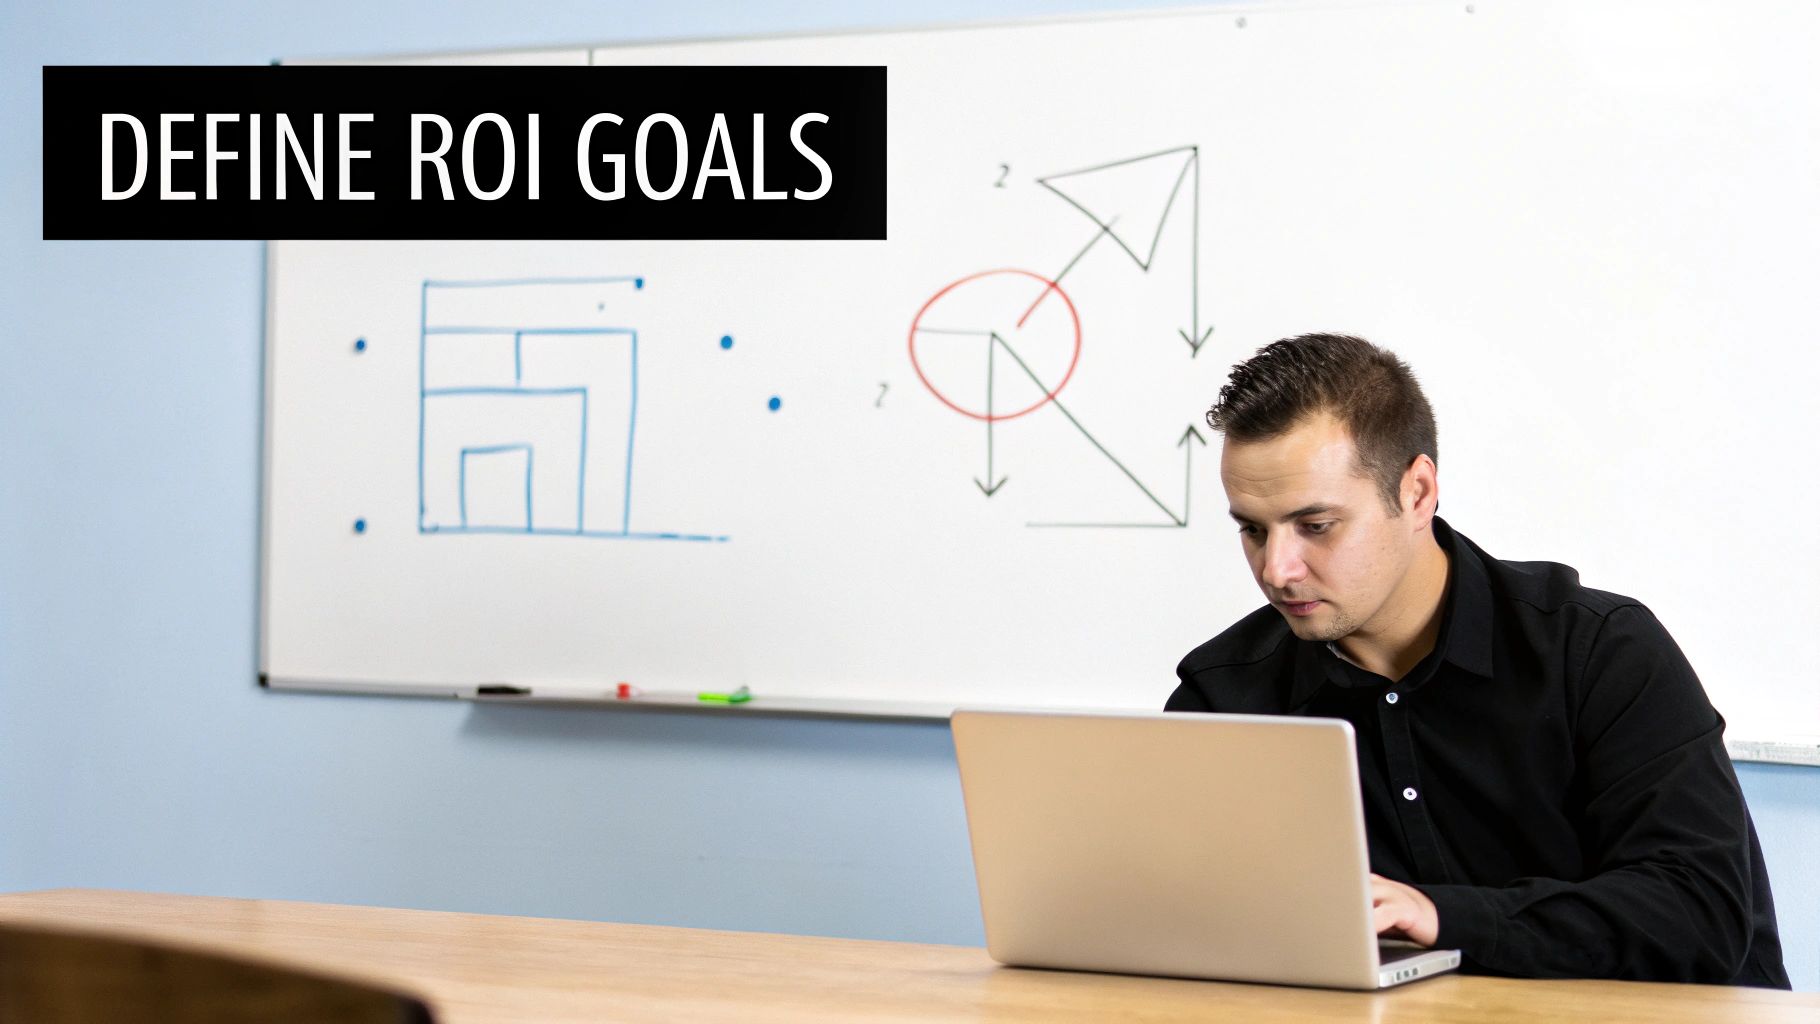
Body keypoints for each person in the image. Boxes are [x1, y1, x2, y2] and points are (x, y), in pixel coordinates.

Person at [1166, 333, 1788, 987]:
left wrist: (1444, 916)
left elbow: (1699, 915)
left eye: (1316, 526)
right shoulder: (1223, 694)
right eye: (1253, 529)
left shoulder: (1601, 651)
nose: (1277, 568)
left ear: (1418, 493)